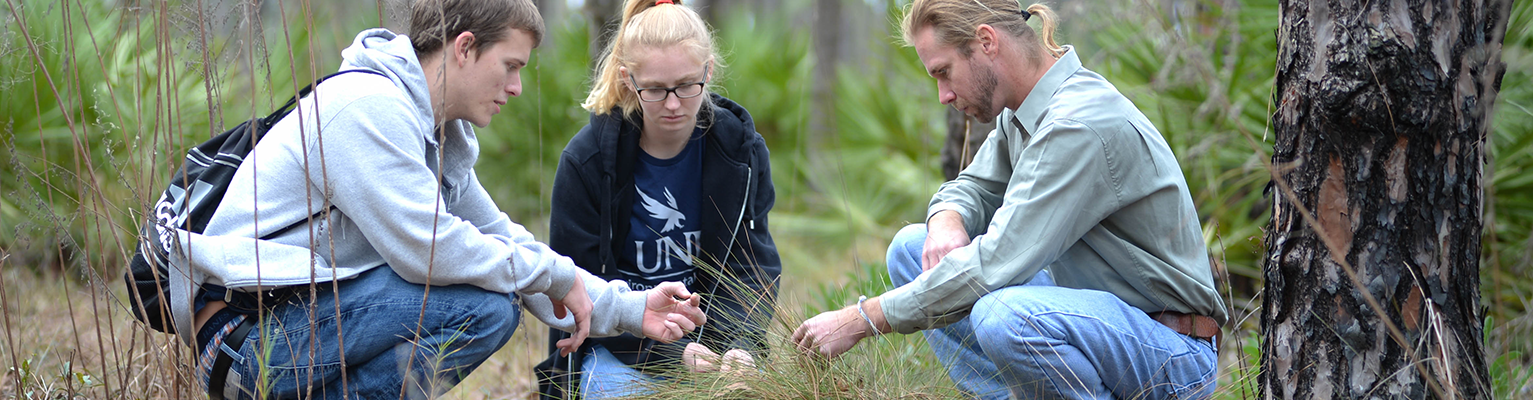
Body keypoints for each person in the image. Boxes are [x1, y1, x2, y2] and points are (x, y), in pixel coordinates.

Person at [165, 1, 706, 398]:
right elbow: (429, 249)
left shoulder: (436, 135)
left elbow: (499, 239)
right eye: (511, 65)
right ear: (465, 47)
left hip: (301, 324)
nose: (517, 87)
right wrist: (551, 275)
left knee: (495, 295)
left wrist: (631, 307)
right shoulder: (365, 108)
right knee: (486, 304)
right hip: (246, 343)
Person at [790, 1, 1229, 398]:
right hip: (1092, 321)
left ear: (986, 42)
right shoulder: (1023, 114)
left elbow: (996, 262)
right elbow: (972, 187)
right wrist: (946, 219)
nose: (943, 95)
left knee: (1006, 317)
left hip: (1170, 354)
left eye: (943, 72)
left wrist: (863, 318)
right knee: (911, 248)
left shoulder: (1076, 125)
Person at [532, 0, 782, 397]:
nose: (672, 103)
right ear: (628, 80)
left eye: (687, 85)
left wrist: (742, 346)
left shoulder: (743, 154)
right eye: (655, 89)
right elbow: (574, 290)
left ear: (709, 71)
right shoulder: (586, 162)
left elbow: (753, 268)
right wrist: (672, 353)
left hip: (715, 350)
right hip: (617, 347)